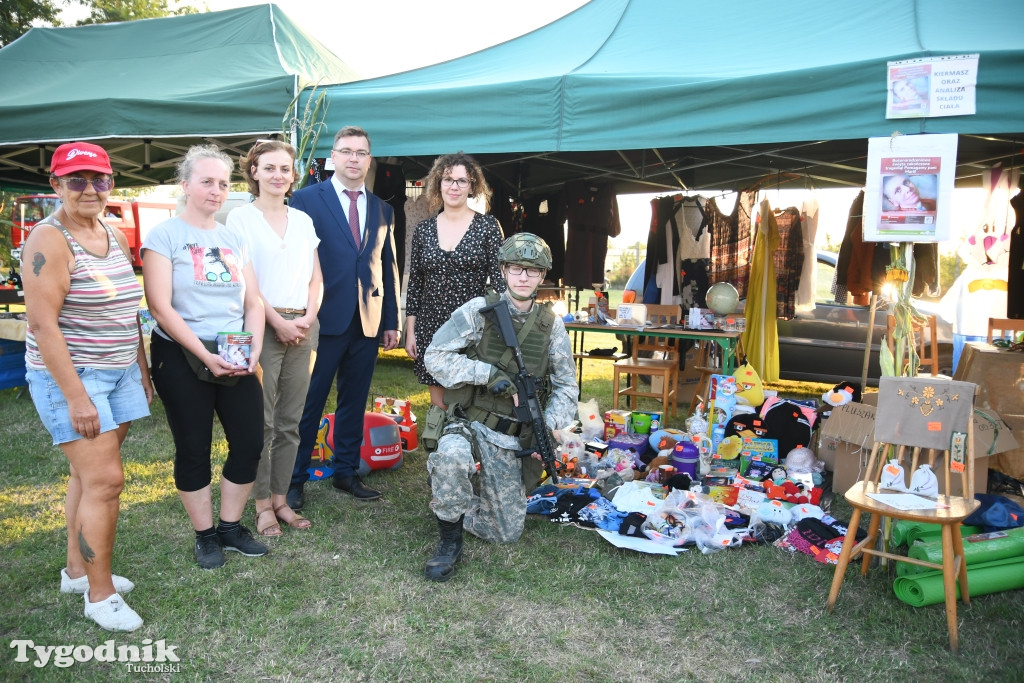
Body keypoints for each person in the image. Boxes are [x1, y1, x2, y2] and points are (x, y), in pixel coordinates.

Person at [22, 142, 152, 631]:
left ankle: (77, 571)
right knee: (105, 481)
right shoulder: (48, 240)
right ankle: (100, 597)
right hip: (76, 378)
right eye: (76, 180)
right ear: (56, 185)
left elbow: (126, 309)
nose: (90, 189)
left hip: (118, 371)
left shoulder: (111, 232)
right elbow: (43, 326)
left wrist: (139, 367)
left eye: (99, 179)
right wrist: (76, 397)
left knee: (86, 477)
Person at [421, 233, 578, 582]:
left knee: (506, 532)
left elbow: (567, 386)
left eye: (533, 271)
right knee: (450, 458)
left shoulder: (551, 326)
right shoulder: (479, 311)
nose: (524, 277)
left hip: (508, 435)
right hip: (469, 421)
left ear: (542, 277)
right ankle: (448, 540)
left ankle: (458, 506)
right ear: (504, 270)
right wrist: (485, 374)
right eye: (517, 269)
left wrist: (547, 428)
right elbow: (434, 356)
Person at [142, 144, 268, 570]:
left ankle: (230, 528)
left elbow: (254, 301)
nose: (216, 191)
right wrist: (204, 355)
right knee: (193, 446)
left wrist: (251, 348)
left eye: (222, 183)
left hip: (234, 352)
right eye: (206, 182)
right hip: (181, 352)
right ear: (186, 185)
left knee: (249, 441)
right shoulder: (165, 235)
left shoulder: (234, 237)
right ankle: (204, 535)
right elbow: (160, 306)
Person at [286, 125, 400, 510]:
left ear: (370, 160)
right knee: (309, 401)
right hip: (320, 318)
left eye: (361, 153)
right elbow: (295, 261)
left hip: (367, 321)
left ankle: (346, 472)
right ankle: (294, 478)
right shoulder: (304, 200)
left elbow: (387, 265)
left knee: (354, 400)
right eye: (346, 151)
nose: (354, 159)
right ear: (332, 157)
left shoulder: (383, 208)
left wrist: (391, 321)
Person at [227, 140, 323, 536]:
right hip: (261, 325)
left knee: (291, 420)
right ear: (254, 172)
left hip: (304, 325)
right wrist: (278, 323)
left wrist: (308, 317)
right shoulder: (239, 219)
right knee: (261, 420)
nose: (278, 176)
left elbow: (316, 279)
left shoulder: (302, 220)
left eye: (285, 169)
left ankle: (282, 499)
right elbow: (246, 284)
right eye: (269, 168)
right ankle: (262, 503)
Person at [405, 153, 505, 409]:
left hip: (470, 328)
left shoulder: (488, 226)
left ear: (472, 186)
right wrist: (411, 331)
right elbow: (415, 283)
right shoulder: (424, 230)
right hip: (431, 327)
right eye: (448, 179)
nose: (454, 186)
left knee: (469, 402)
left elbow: (500, 283)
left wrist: (501, 328)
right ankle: (441, 446)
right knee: (439, 405)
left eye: (462, 181)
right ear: (438, 183)